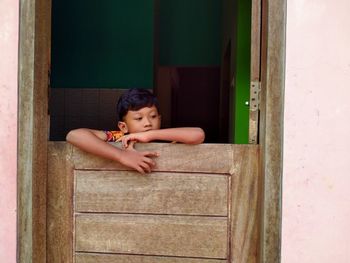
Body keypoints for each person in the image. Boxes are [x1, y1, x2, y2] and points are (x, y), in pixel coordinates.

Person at [66, 88, 205, 174]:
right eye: (138, 118)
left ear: (160, 118)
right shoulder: (119, 137)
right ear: (123, 127)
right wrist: (122, 156)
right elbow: (74, 135)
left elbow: (198, 135)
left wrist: (150, 135)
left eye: (153, 116)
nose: (147, 123)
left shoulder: (167, 138)